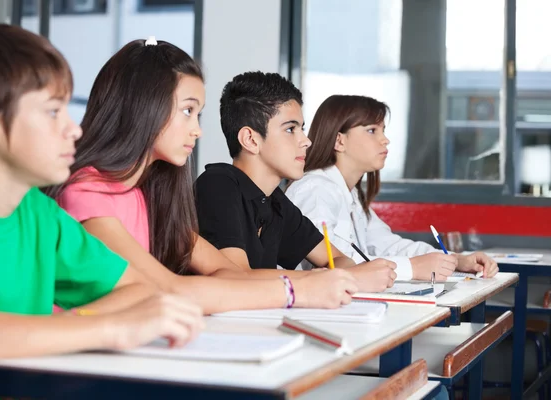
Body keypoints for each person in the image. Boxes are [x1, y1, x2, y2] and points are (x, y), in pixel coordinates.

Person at [0, 25, 204, 398]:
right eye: (52, 112)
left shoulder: (40, 215)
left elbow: (137, 290)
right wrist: (106, 329)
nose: (73, 129)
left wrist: (76, 324)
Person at [49, 38, 358, 313]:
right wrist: (297, 290)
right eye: (187, 111)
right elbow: (166, 290)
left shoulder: (150, 193)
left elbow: (229, 274)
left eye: (199, 114)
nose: (197, 130)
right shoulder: (87, 193)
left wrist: (312, 283)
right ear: (144, 106)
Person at [195, 71, 398, 293]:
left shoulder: (275, 202)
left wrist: (330, 276)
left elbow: (340, 260)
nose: (306, 141)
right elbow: (237, 277)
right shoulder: (218, 185)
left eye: (302, 128)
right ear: (251, 139)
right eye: (291, 129)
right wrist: (318, 280)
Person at [286, 94, 499, 280]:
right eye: (372, 131)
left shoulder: (350, 194)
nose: (385, 140)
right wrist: (413, 268)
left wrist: (455, 260)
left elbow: (388, 244)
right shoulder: (315, 190)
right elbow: (337, 264)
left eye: (383, 131)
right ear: (339, 141)